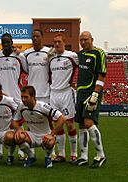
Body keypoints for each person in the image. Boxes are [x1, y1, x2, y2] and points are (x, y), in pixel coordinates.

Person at [6, 86, 65, 168]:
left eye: (26, 97)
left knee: (50, 142)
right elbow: (14, 121)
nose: (23, 99)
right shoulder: (21, 106)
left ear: (33, 96)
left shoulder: (43, 106)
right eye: (22, 97)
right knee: (18, 137)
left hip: (45, 135)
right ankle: (31, 156)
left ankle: (48, 157)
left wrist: (52, 134)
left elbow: (62, 118)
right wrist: (19, 129)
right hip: (32, 135)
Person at [0, 33, 27, 160]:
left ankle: (22, 151)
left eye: (8, 42)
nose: (6, 44)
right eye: (4, 42)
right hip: (2, 96)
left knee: (18, 123)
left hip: (16, 96)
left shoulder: (20, 57)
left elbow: (27, 71)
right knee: (1, 123)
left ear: (12, 42)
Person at [74, 31, 107, 168]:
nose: (83, 42)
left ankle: (100, 155)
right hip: (80, 93)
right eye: (81, 40)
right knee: (81, 124)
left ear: (92, 39)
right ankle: (83, 156)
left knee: (88, 123)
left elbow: (101, 75)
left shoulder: (99, 53)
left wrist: (95, 95)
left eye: (85, 39)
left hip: (92, 93)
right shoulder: (80, 55)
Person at [48, 33, 78, 163]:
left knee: (69, 123)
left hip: (66, 93)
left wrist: (77, 82)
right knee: (57, 124)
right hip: (53, 94)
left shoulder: (72, 56)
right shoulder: (51, 59)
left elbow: (83, 67)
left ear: (64, 43)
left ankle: (74, 153)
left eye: (59, 41)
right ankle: (61, 154)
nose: (57, 44)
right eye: (55, 42)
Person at [23, 29, 50, 103]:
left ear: (42, 37)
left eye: (37, 36)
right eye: (33, 36)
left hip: (45, 93)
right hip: (31, 93)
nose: (35, 38)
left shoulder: (49, 52)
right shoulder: (26, 53)